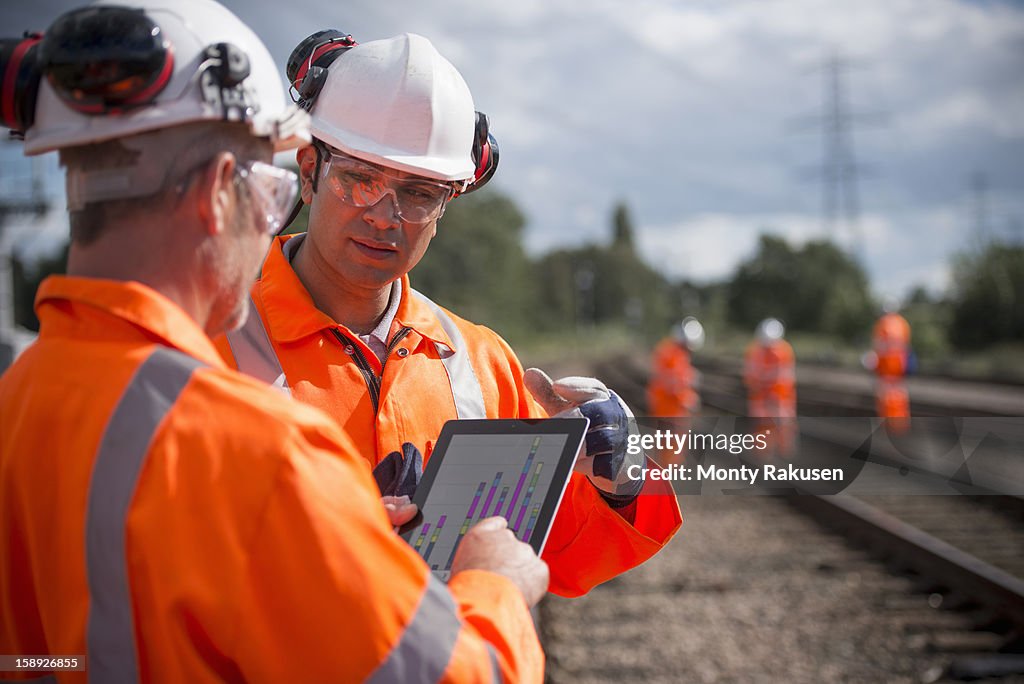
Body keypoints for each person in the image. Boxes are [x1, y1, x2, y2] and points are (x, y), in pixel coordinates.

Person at [0, 2, 547, 680]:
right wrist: (495, 586)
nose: (269, 227)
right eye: (269, 192)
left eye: (419, 193)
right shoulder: (265, 455)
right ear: (216, 193)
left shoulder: (18, 398)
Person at [214, 29, 682, 597]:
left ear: (448, 202)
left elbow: (563, 554)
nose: (386, 217)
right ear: (309, 172)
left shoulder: (481, 366)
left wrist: (622, 482)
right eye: (361, 180)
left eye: (418, 192)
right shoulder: (209, 336)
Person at [743, 318, 797, 455]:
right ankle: (761, 457)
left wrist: (776, 396)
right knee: (762, 429)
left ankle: (785, 455)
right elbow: (750, 376)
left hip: (780, 399)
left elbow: (786, 376)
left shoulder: (785, 351)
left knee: (783, 427)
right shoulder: (754, 351)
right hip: (760, 399)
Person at [647, 317, 705, 418]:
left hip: (664, 407)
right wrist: (690, 399)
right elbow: (673, 385)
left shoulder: (667, 349)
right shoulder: (675, 355)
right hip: (669, 410)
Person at [869, 297, 912, 430]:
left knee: (885, 394)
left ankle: (887, 423)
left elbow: (879, 345)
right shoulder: (903, 323)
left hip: (886, 366)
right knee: (899, 393)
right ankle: (901, 423)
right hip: (900, 366)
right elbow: (906, 346)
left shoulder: (882, 323)